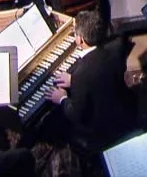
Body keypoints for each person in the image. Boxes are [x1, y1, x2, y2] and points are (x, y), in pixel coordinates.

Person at [45, 10, 137, 152]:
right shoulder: (116, 47)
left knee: (57, 120)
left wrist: (62, 98)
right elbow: (102, 75)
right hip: (123, 109)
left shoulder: (82, 74)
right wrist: (74, 81)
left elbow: (77, 114)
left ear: (80, 39)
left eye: (75, 33)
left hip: (101, 129)